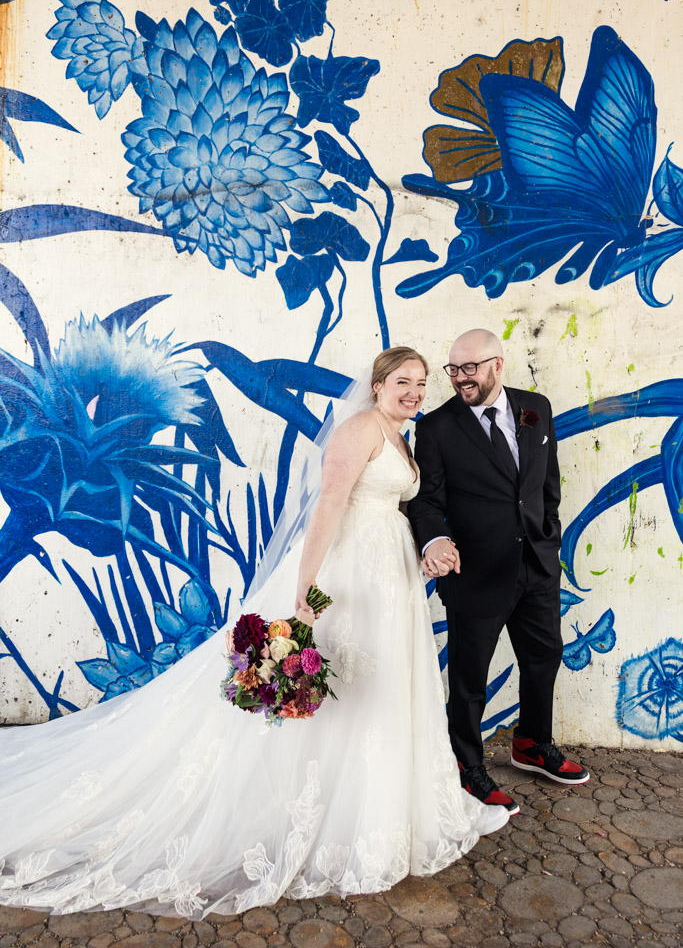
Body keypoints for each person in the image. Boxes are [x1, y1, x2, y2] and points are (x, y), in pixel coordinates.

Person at [0, 347, 508, 919]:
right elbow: (329, 510)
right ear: (379, 384)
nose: (414, 391)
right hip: (348, 578)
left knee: (379, 693)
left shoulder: (398, 434)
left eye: (421, 382)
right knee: (341, 693)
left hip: (388, 578)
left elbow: (389, 510)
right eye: (402, 382)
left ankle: (379, 808)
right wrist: (304, 593)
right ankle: (329, 815)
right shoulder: (360, 429)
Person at [408, 330, 589, 817]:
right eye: (453, 369)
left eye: (471, 368)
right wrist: (435, 539)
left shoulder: (536, 407)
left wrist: (548, 535)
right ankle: (467, 766)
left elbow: (545, 481)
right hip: (476, 573)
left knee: (544, 657)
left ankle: (531, 743)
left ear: (498, 365)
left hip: (537, 564)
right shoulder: (437, 427)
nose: (461, 378)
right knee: (470, 680)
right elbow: (426, 501)